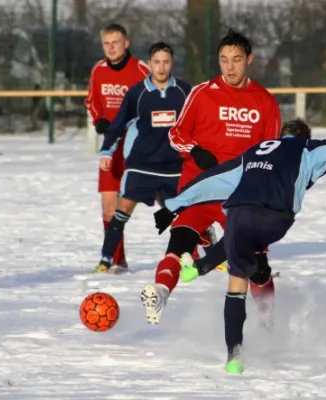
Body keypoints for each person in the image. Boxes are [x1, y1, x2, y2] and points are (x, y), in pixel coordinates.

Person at [153, 118, 326, 374]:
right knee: (247, 244)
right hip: (276, 220)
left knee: (237, 278)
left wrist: (173, 206)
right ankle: (199, 268)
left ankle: (234, 357)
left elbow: (214, 180)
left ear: (281, 135)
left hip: (239, 214)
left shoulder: (253, 153)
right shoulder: (307, 149)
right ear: (304, 137)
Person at [140, 28, 281, 325]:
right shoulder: (202, 93)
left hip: (241, 197)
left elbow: (273, 153)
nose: (230, 67)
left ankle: (267, 320)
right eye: (224, 60)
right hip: (199, 188)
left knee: (257, 268)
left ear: (249, 60)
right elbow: (176, 134)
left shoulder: (265, 102)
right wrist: (196, 149)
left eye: (237, 60)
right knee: (179, 242)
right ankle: (160, 294)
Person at [94, 42, 191, 274]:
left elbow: (200, 123)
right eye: (156, 62)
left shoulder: (185, 91)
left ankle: (190, 259)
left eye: (165, 62)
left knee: (183, 216)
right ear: (149, 64)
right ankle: (106, 260)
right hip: (141, 165)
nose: (161, 67)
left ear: (172, 63)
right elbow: (117, 125)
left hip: (174, 167)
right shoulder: (138, 93)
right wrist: (107, 151)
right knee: (122, 211)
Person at [85, 23, 150, 270]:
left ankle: (197, 248)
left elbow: (155, 98)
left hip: (140, 147)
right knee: (109, 204)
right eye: (106, 43)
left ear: (126, 43)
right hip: (111, 147)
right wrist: (99, 118)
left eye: (116, 42)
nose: (111, 48)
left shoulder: (142, 69)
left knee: (170, 199)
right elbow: (91, 101)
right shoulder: (98, 70)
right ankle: (116, 259)